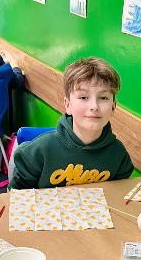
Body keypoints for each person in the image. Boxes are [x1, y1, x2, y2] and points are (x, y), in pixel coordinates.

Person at [10, 56, 133, 189]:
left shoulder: (118, 154)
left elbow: (119, 193)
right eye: (84, 97)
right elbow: (16, 196)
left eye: (103, 98)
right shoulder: (38, 152)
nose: (94, 106)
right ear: (68, 105)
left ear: (113, 107)